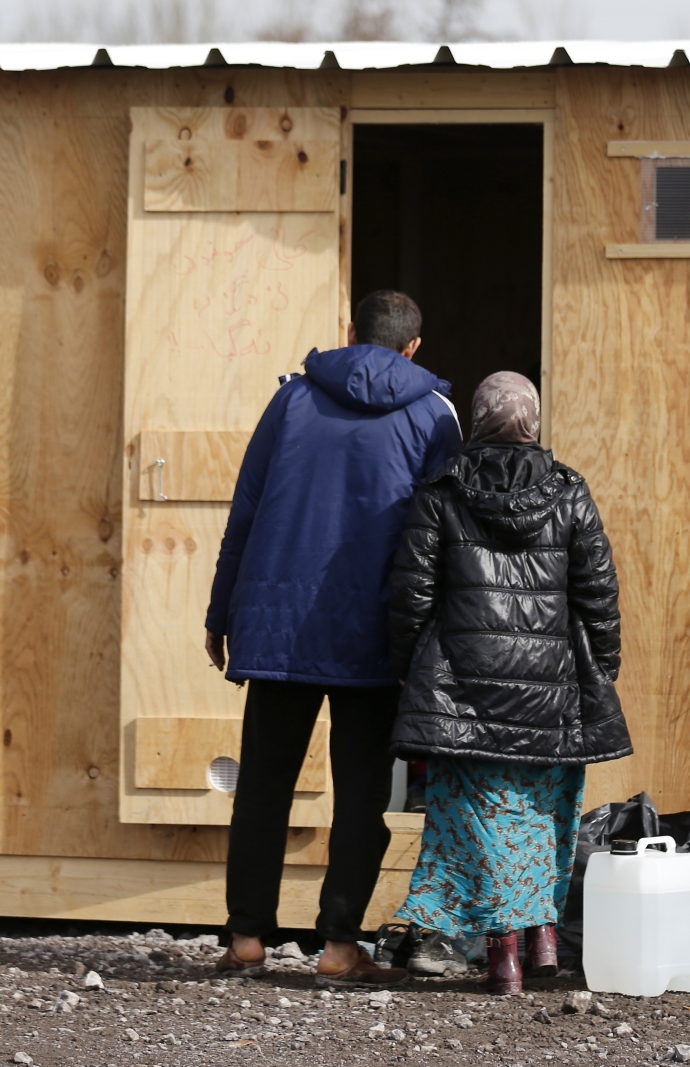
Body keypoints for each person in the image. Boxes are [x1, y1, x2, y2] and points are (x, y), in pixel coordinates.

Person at [206, 290, 463, 987]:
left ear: (351, 334)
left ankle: (248, 937)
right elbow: (442, 537)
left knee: (262, 786)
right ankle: (340, 946)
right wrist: (430, 643)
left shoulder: (292, 400)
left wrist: (219, 610)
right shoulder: (434, 413)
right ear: (413, 347)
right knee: (360, 795)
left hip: (281, 628)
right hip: (375, 637)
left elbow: (247, 505)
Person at [385, 371, 631, 993]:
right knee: (543, 815)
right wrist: (600, 667)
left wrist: (413, 671)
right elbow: (598, 593)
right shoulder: (570, 490)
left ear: (475, 422)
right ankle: (542, 939)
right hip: (551, 693)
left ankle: (506, 962)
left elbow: (411, 595)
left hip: (462, 690)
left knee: (481, 821)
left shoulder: (440, 491)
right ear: (535, 424)